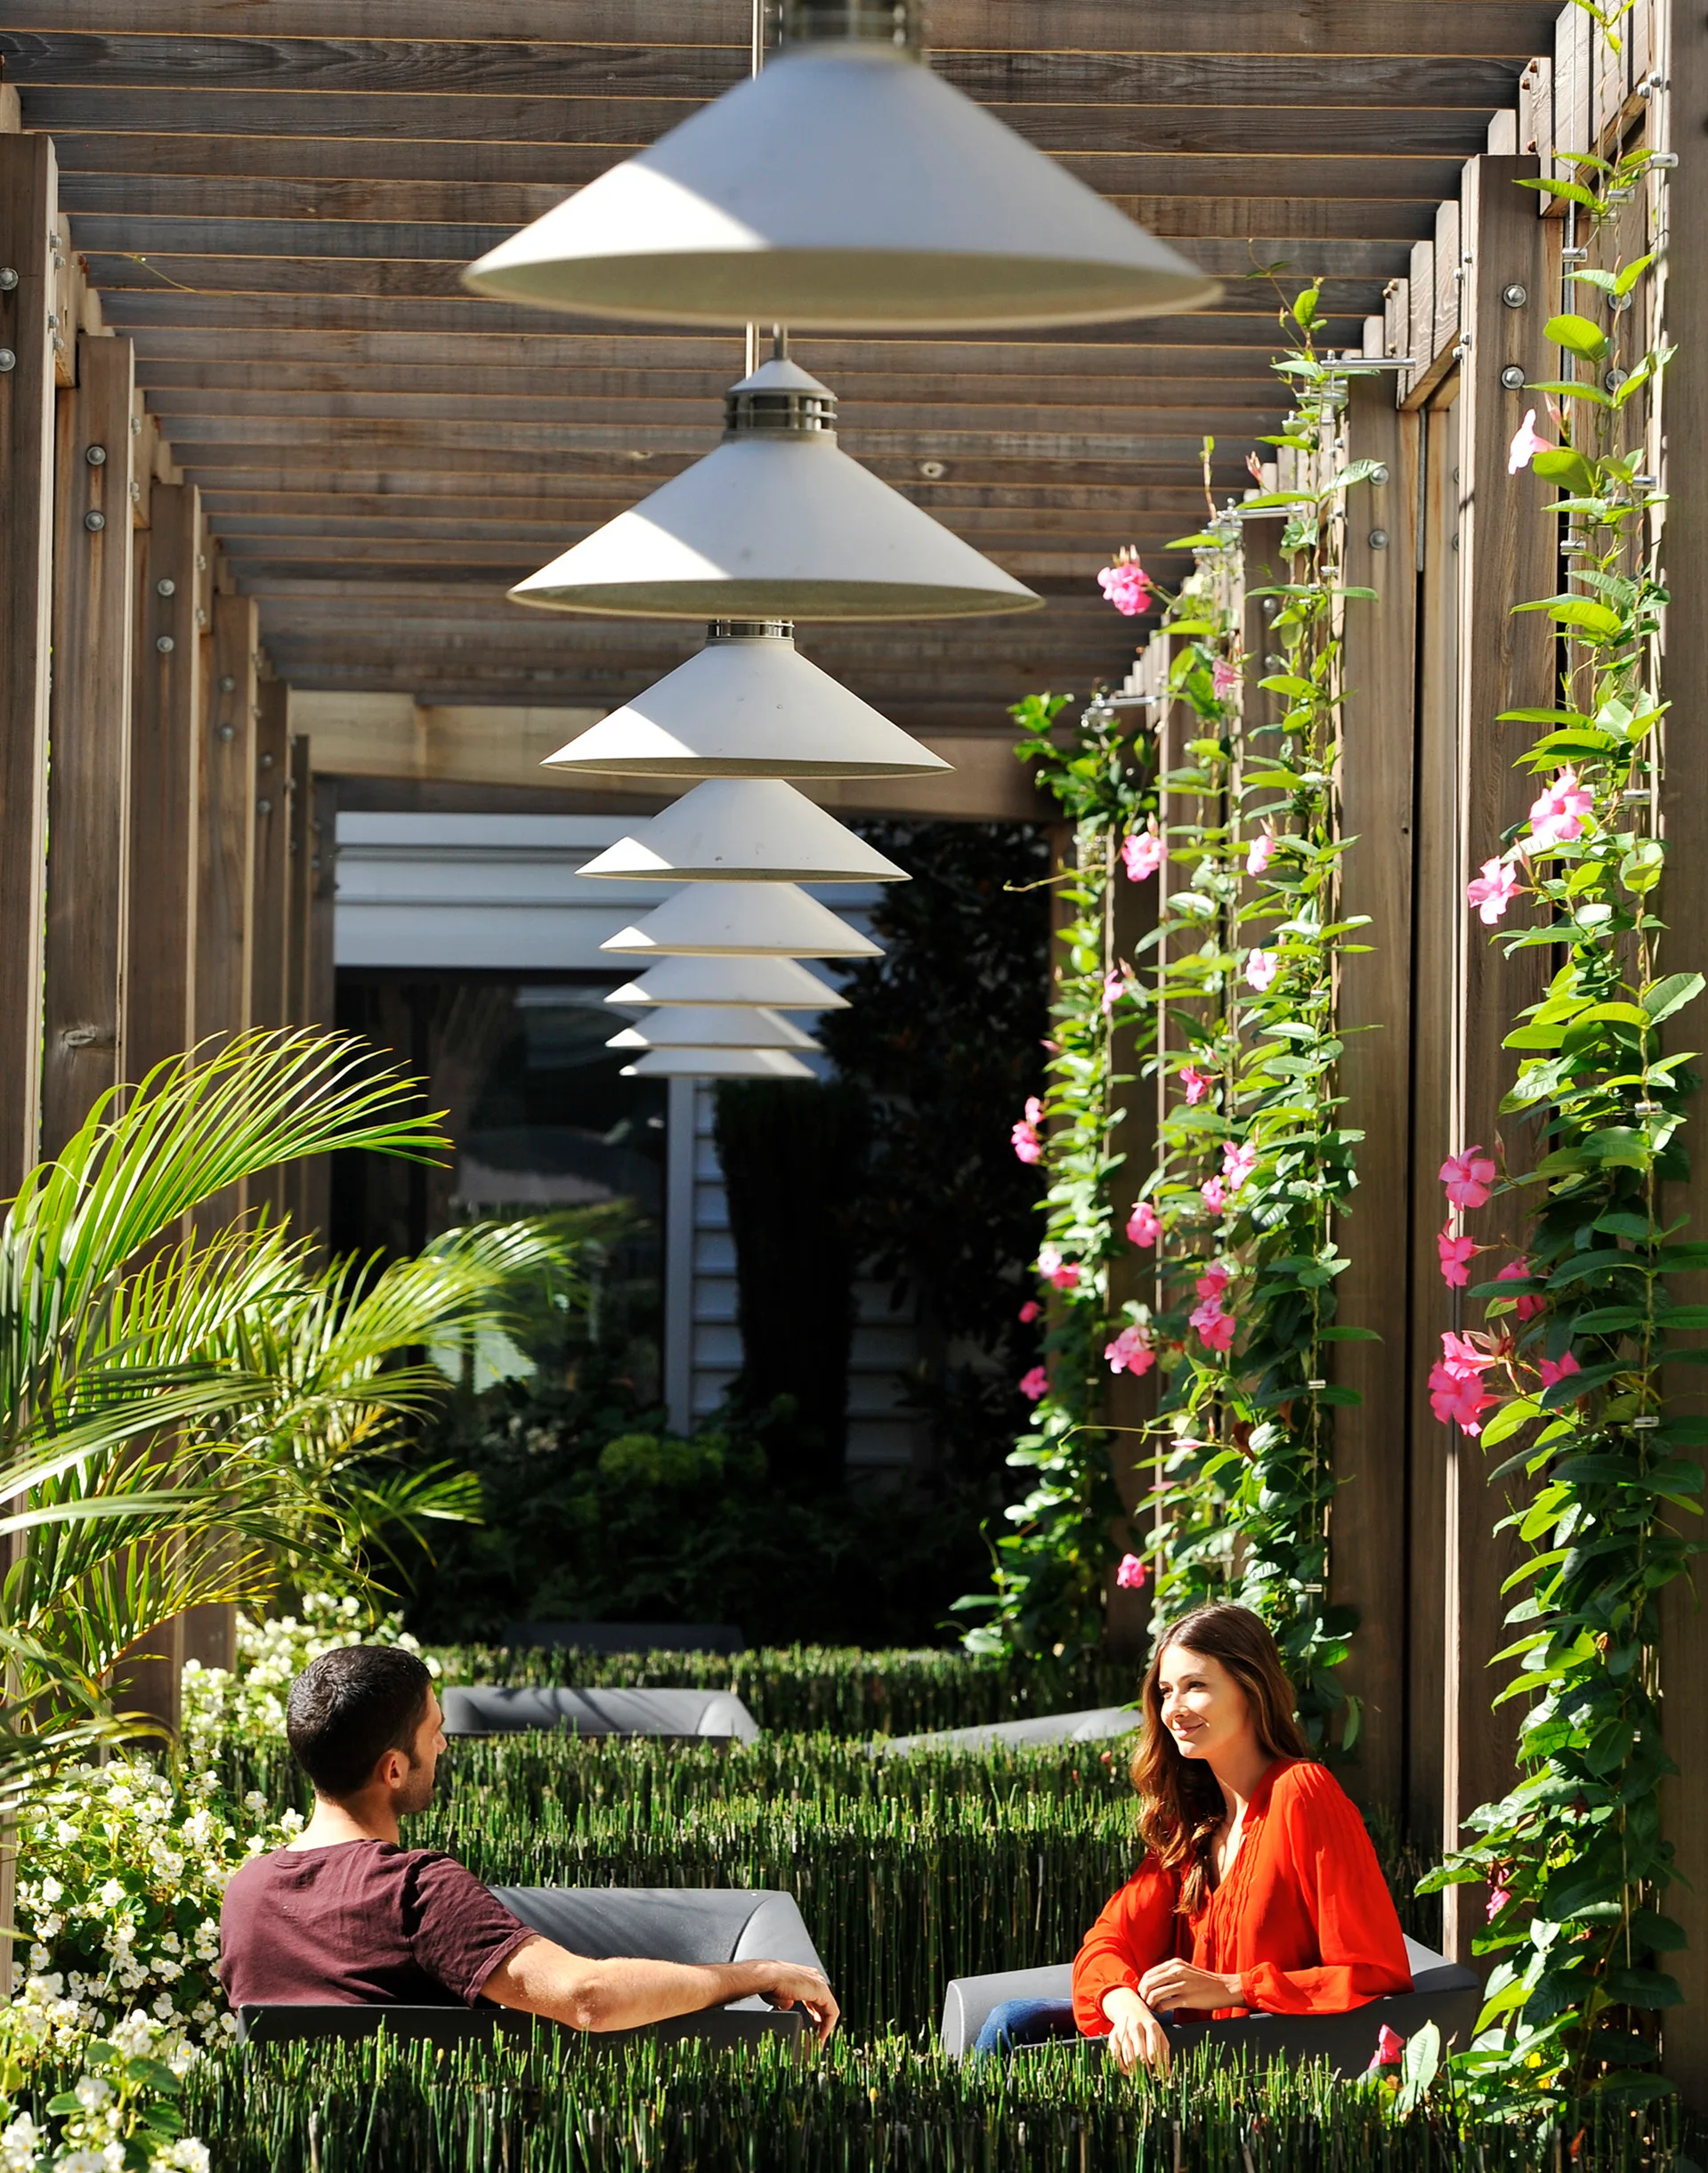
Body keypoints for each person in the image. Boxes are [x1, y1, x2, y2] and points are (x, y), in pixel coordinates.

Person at [219, 1644, 838, 2043]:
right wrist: (754, 1973)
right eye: (434, 1733)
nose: (441, 1746)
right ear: (392, 1769)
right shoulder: (416, 1890)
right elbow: (589, 1998)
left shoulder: (244, 1893)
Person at [973, 1602, 1410, 2068]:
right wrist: (1123, 2005)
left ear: (1250, 1688)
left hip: (1264, 2069)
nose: (1173, 1710)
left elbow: (1375, 1974)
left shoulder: (1301, 1794)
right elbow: (1107, 1940)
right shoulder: (1193, 1824)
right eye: (1165, 1691)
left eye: (1196, 1686)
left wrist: (1234, 1987)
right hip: (1179, 2061)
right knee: (1012, 2020)